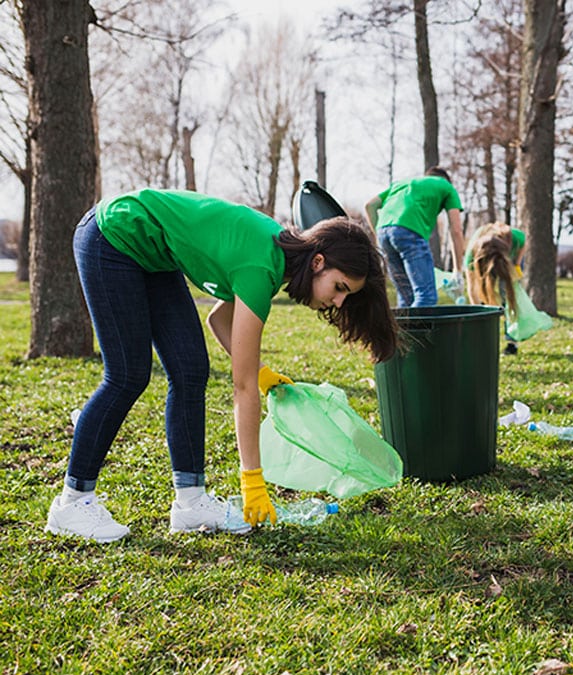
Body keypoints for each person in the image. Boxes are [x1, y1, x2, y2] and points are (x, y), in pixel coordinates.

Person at [46, 188, 398, 542]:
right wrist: (253, 480)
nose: (336, 301)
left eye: (345, 296)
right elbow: (241, 388)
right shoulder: (261, 266)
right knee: (127, 375)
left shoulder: (276, 261)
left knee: (190, 370)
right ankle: (72, 502)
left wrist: (260, 373)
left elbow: (218, 320)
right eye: (339, 288)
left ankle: (191, 502)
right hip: (114, 234)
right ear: (318, 262)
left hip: (154, 254)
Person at [365, 166, 465, 307]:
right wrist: (458, 270)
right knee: (426, 296)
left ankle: (401, 330)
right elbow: (456, 230)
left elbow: (370, 206)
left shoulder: (401, 184)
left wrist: (381, 237)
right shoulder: (446, 186)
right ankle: (418, 330)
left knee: (406, 297)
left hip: (383, 232)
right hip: (409, 231)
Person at [463, 221, 526, 355]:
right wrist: (478, 315)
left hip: (507, 260)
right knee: (485, 295)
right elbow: (472, 288)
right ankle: (485, 337)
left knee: (508, 296)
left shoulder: (515, 237)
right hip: (486, 259)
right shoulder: (471, 256)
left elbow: (524, 242)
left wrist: (517, 263)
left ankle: (512, 342)